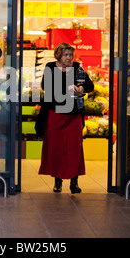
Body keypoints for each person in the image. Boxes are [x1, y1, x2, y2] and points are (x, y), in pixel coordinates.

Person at [38, 42, 94, 194]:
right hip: (55, 114)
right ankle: (58, 181)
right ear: (59, 55)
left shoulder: (78, 67)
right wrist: (66, 88)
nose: (69, 58)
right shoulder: (50, 67)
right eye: (66, 55)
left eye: (71, 55)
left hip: (74, 116)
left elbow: (90, 85)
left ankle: (74, 182)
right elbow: (45, 86)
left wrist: (82, 88)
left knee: (74, 148)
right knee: (56, 148)